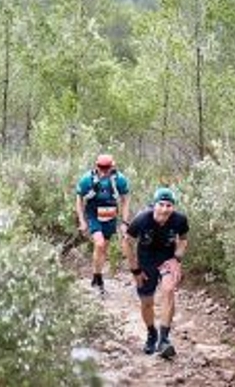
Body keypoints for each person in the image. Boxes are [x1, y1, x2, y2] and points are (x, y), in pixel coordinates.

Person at [124, 187, 189, 359]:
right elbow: (127, 243)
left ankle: (164, 339)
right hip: (145, 263)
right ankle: (151, 333)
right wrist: (135, 270)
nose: (165, 209)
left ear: (173, 207)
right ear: (154, 205)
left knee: (168, 291)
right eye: (161, 204)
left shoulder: (179, 220)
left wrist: (177, 259)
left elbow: (183, 240)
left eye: (169, 205)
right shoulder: (142, 219)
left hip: (166, 260)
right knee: (147, 302)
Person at [74, 153, 131, 294]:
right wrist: (82, 220)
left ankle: (96, 277)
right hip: (93, 213)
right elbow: (79, 199)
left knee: (103, 249)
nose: (104, 170)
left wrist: (124, 221)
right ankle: (98, 279)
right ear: (96, 166)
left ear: (113, 166)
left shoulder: (120, 180)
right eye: (101, 167)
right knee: (98, 244)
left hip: (110, 213)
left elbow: (125, 200)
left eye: (107, 167)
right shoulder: (87, 179)